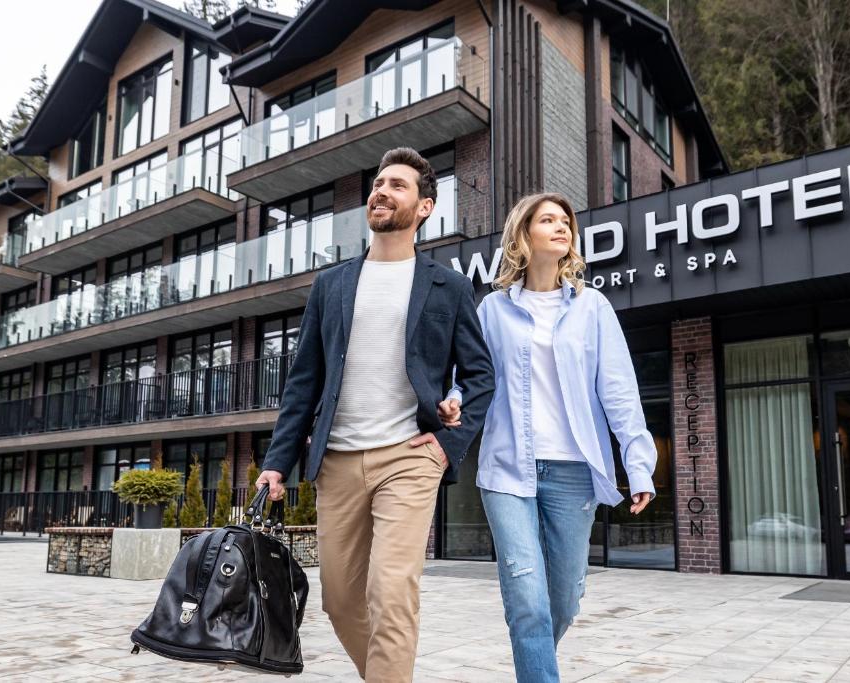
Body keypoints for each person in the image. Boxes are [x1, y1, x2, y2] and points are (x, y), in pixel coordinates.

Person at [255, 147, 494, 683]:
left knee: (391, 591)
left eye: (398, 185)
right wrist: (278, 461)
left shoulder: (448, 287)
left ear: (426, 207)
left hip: (409, 458)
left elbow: (481, 377)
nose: (381, 191)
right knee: (340, 602)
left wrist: (445, 445)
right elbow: (303, 382)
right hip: (336, 461)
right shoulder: (331, 284)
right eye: (378, 183)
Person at [440, 193, 656, 682]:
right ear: (524, 234)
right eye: (549, 220)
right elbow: (470, 375)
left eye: (566, 222)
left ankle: (533, 666)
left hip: (574, 472)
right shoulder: (493, 309)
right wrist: (454, 397)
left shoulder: (592, 307)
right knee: (527, 602)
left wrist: (637, 462)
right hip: (507, 470)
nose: (562, 227)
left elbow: (619, 392)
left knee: (564, 600)